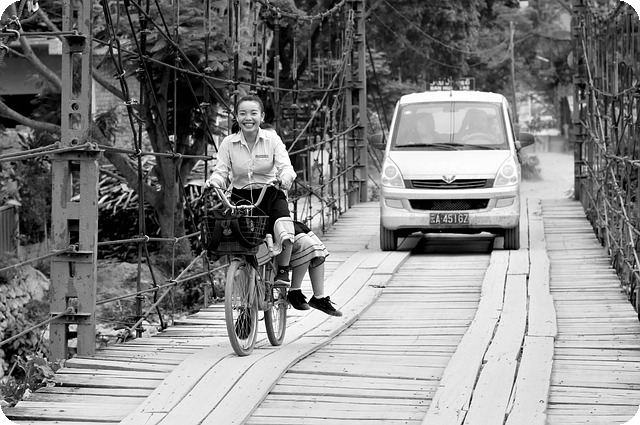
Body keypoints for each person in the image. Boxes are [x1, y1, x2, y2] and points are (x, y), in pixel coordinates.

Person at [205, 94, 296, 285]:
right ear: (237, 117)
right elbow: (221, 172)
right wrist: (213, 182)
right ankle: (243, 282)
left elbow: (286, 168)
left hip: (269, 192)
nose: (248, 118)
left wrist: (285, 179)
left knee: (283, 225)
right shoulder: (228, 143)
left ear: (261, 117)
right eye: (243, 113)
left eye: (253, 113)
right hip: (240, 196)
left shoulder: (272, 140)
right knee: (232, 233)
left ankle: (283, 270)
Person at [257, 220, 342, 316]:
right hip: (275, 223)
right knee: (308, 245)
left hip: (281, 222)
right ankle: (297, 291)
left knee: (316, 249)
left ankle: (317, 297)